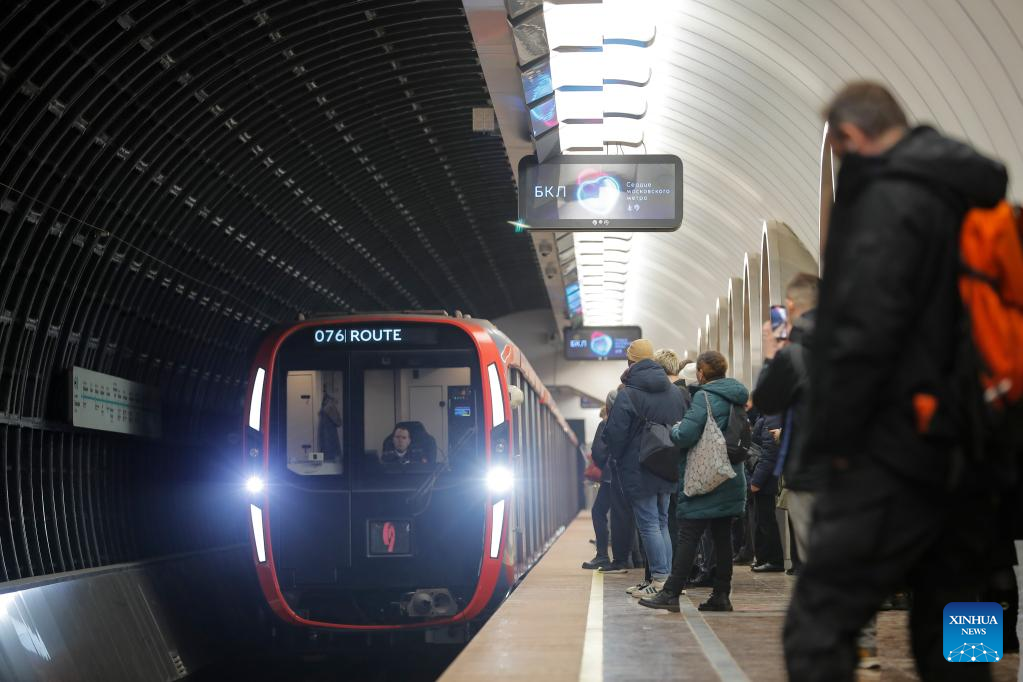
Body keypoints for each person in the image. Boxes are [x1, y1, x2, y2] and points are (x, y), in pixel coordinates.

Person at [783, 81, 1007, 682]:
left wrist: (833, 448)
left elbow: (864, 332)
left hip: (895, 446)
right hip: (971, 446)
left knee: (819, 619)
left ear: (850, 136)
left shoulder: (888, 201)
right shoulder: (968, 191)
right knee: (960, 617)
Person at [640, 350, 748, 613]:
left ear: (701, 372)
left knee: (688, 534)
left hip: (705, 478)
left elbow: (685, 435)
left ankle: (670, 593)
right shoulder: (736, 397)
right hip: (730, 475)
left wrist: (676, 428)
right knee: (722, 538)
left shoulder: (705, 397)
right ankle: (721, 595)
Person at [603, 339, 686, 596]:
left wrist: (619, 459)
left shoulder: (628, 393)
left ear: (630, 362)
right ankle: (666, 579)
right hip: (667, 462)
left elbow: (614, 434)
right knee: (661, 522)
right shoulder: (674, 392)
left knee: (649, 524)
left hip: (639, 466)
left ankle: (659, 580)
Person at [583, 396, 632, 570]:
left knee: (598, 512)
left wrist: (604, 465)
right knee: (628, 515)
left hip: (611, 476)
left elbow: (598, 452)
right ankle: (634, 558)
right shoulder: (631, 420)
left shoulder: (606, 423)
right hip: (629, 475)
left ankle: (602, 555)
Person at [748, 412, 783, 571]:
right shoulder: (766, 417)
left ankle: (774, 560)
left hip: (765, 479)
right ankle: (763, 558)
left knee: (766, 521)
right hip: (763, 476)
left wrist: (756, 481)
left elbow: (770, 454)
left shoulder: (772, 418)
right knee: (761, 520)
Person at [318, 392, 343, 462]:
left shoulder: (324, 407)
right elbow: (338, 422)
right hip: (330, 436)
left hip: (324, 436)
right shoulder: (330, 407)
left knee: (326, 458)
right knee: (331, 459)